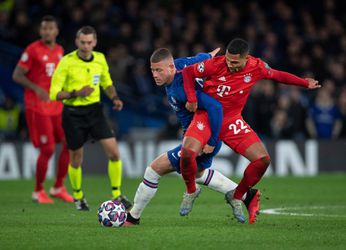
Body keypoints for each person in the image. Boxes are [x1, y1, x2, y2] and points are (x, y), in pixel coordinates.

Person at [183, 38, 321, 223]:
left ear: (246, 58)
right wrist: (191, 98)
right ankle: (191, 191)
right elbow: (187, 72)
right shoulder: (215, 64)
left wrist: (304, 83)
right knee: (187, 153)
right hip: (206, 117)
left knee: (262, 160)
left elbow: (277, 75)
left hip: (232, 121)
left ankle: (237, 195)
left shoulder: (256, 67)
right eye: (228, 60)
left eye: (235, 62)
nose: (230, 64)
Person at [125, 48, 260, 226]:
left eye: (159, 70)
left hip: (202, 136)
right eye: (152, 70)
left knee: (154, 170)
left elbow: (214, 106)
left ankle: (133, 218)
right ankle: (246, 195)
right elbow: (202, 58)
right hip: (201, 133)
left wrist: (210, 141)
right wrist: (212, 55)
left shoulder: (180, 90)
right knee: (197, 173)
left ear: (171, 67)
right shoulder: (183, 64)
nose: (155, 75)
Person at [49, 26, 132, 211]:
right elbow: (54, 93)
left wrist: (115, 98)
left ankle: (117, 194)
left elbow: (107, 83)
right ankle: (78, 196)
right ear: (77, 42)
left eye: (89, 42)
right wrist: (76, 93)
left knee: (114, 153)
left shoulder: (100, 59)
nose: (86, 46)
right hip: (73, 114)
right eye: (82, 42)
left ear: (94, 42)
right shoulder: (66, 62)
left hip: (95, 112)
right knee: (76, 159)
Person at [12, 16, 73, 204]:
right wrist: (37, 88)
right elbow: (17, 75)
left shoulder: (60, 51)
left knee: (68, 144)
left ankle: (58, 187)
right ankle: (38, 191)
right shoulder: (32, 50)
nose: (47, 32)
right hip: (37, 107)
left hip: (56, 106)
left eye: (50, 28)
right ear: (40, 31)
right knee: (47, 149)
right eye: (44, 29)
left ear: (56, 31)